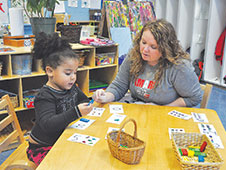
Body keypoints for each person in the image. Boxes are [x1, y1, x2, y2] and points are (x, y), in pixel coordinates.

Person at [93, 19, 202, 107]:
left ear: (165, 49)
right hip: (138, 110)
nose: (144, 50)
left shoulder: (179, 66)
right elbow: (119, 86)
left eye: (153, 47)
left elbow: (194, 98)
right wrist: (105, 96)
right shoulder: (134, 56)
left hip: (164, 116)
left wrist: (163, 108)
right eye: (143, 42)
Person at [26, 32, 93, 166]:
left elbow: (83, 100)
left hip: (62, 138)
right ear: (50, 71)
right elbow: (48, 125)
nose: (73, 77)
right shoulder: (44, 96)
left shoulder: (71, 87)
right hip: (42, 147)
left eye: (75, 72)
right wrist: (76, 112)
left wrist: (93, 99)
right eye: (68, 73)